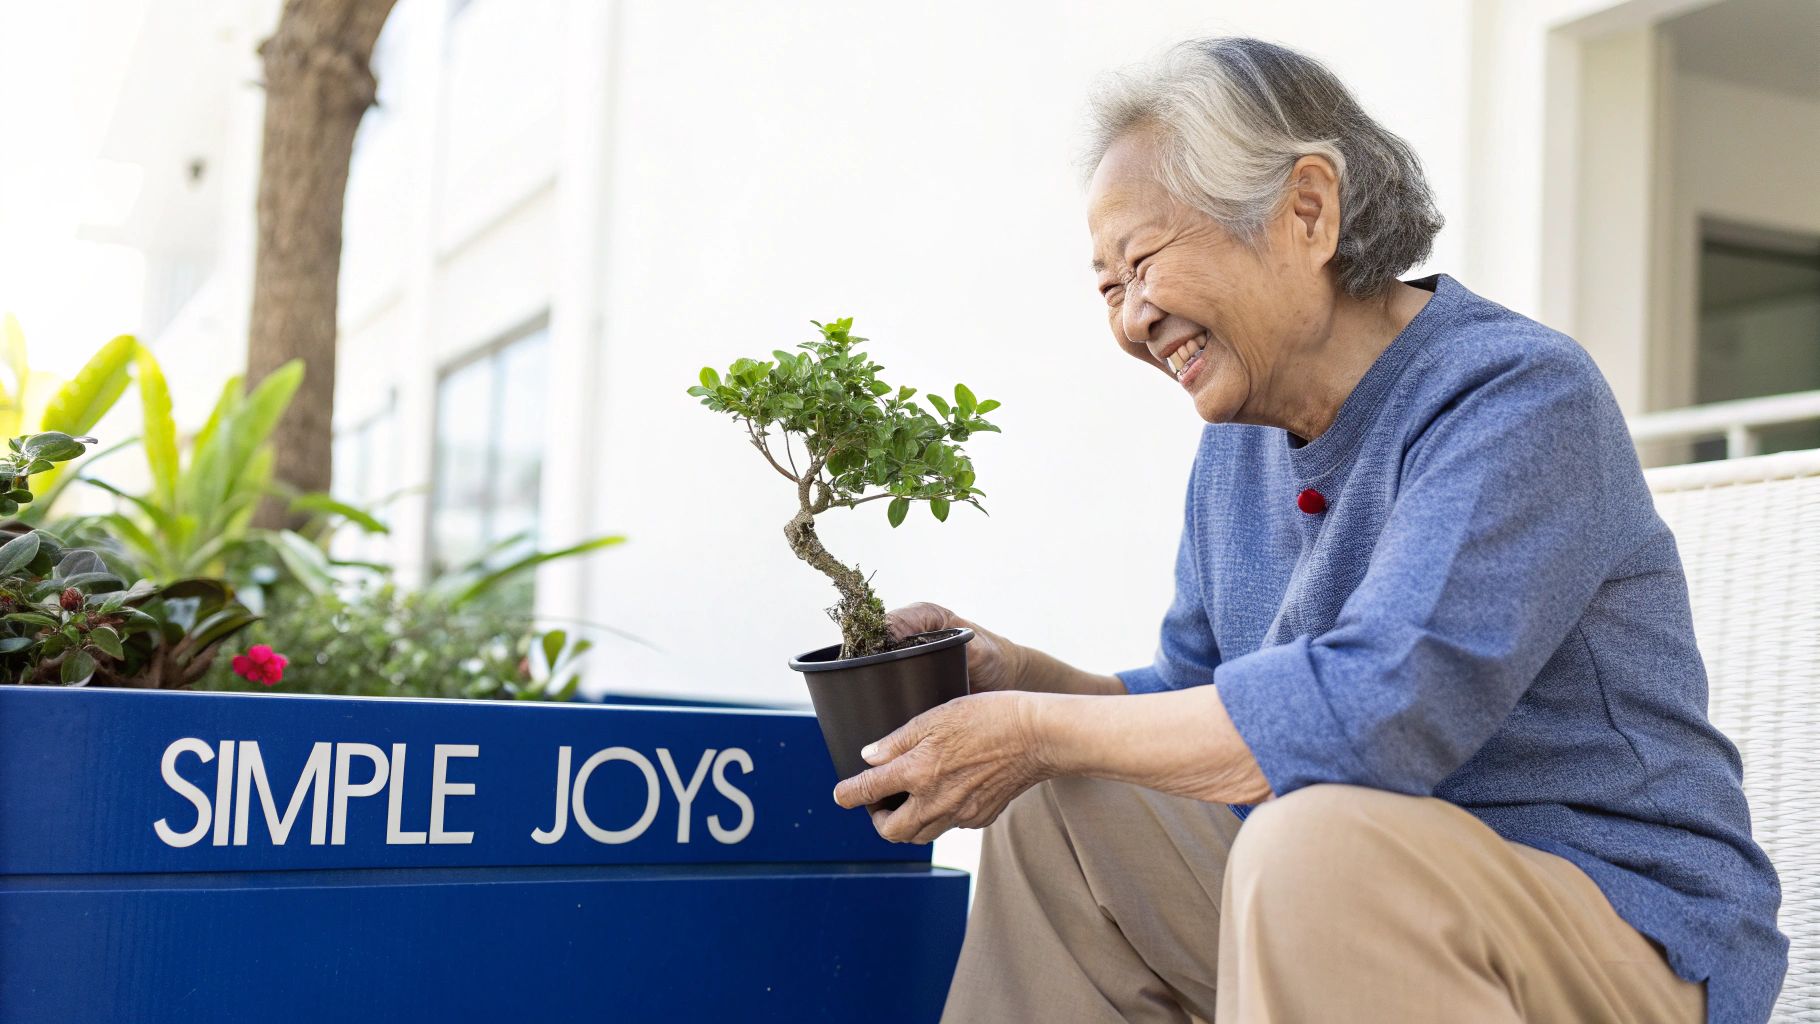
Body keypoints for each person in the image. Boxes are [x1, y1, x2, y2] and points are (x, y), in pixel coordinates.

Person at [832, 37, 1786, 1024]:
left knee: (1307, 836)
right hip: (1338, 896)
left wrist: (1036, 731)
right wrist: (1024, 681)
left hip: (1613, 934)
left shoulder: (1512, 396)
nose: (1129, 319)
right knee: (1060, 806)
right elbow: (1194, 695)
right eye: (1106, 287)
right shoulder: (1238, 444)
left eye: (1143, 261)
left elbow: (1377, 715)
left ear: (1305, 211)